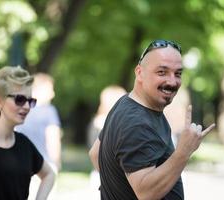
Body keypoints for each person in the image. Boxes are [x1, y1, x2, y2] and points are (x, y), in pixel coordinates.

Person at [89, 39, 215, 200]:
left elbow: (95, 153)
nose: (172, 81)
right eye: (162, 72)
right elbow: (146, 193)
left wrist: (117, 188)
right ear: (139, 73)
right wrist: (184, 152)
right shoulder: (137, 122)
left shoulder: (125, 102)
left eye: (178, 73)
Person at [0, 66, 55, 200]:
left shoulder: (24, 144)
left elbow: (49, 174)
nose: (27, 106)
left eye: (30, 101)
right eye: (20, 99)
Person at [15, 73, 62, 200]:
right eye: (50, 89)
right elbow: (53, 138)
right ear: (40, 89)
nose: (53, 94)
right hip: (44, 166)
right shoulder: (49, 111)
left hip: (20, 164)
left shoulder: (18, 110)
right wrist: (57, 163)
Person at [87, 85, 127, 199]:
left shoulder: (96, 121)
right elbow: (95, 153)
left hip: (98, 174)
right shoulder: (106, 124)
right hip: (107, 175)